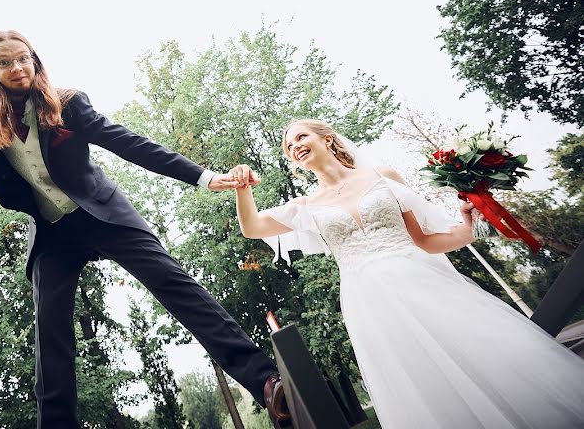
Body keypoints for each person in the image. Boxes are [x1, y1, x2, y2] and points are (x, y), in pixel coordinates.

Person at [0, 31, 287, 429]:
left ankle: (266, 382)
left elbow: (127, 142)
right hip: (53, 232)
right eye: (4, 62)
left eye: (22, 58)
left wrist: (201, 177)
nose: (16, 67)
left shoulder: (67, 103)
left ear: (35, 60)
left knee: (178, 288)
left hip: (104, 215)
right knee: (50, 331)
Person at [231, 118, 584, 429]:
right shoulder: (305, 206)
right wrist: (242, 186)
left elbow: (426, 241)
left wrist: (465, 222)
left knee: (483, 354)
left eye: (301, 137)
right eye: (289, 146)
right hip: (367, 301)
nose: (295, 147)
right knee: (423, 382)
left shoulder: (382, 177)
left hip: (421, 280)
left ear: (326, 139)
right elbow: (252, 227)